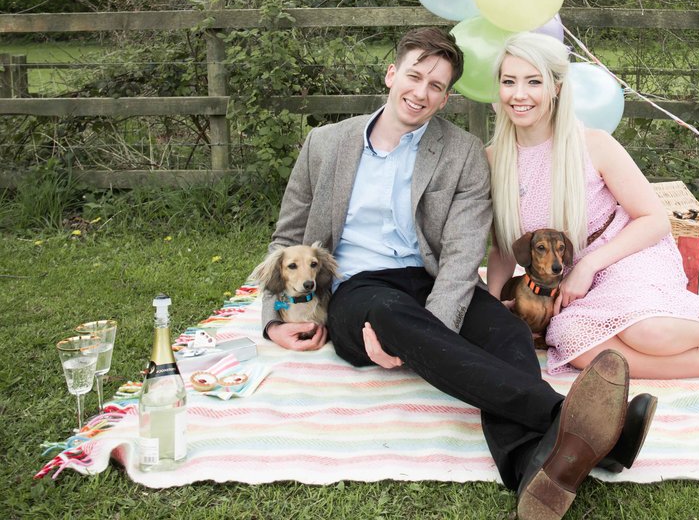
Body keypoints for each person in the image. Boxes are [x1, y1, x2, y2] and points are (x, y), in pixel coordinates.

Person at [256, 27, 656, 520]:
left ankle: (537, 475)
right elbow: (285, 238)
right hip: (358, 290)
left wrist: (433, 334)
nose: (421, 92)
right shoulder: (325, 144)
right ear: (391, 74)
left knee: (509, 328)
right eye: (414, 76)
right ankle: (578, 422)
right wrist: (274, 320)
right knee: (393, 314)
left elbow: (465, 253)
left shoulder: (462, 153)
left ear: (446, 99)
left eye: (437, 85)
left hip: (429, 279)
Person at [486, 32, 699, 390]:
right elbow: (501, 246)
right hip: (567, 280)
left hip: (625, 255)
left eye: (533, 82)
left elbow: (654, 220)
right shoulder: (493, 159)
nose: (519, 94)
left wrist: (590, 264)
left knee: (645, 332)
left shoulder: (593, 144)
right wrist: (493, 301)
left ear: (557, 87)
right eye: (508, 81)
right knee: (578, 346)